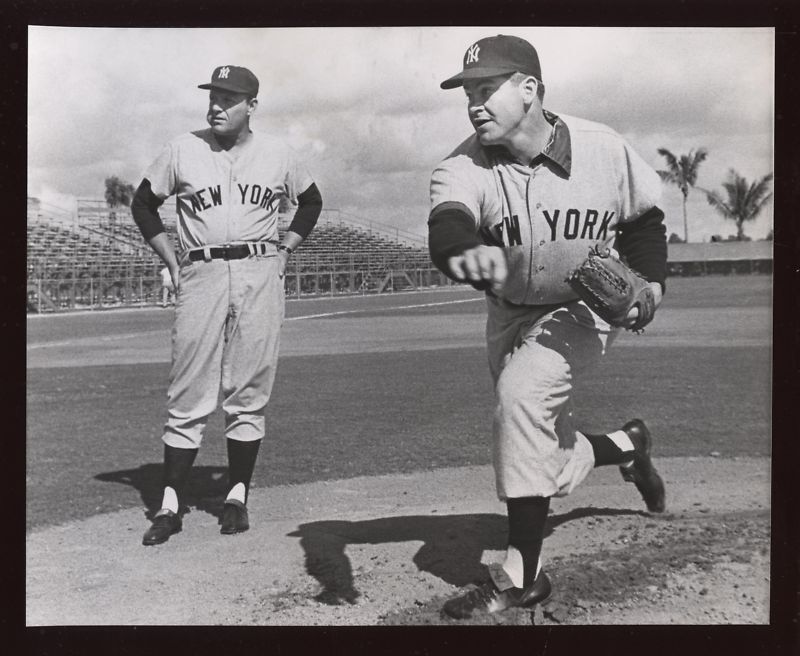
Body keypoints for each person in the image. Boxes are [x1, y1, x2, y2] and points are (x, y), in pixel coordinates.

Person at [427, 35, 667, 619]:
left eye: (487, 89)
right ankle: (626, 446)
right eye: (468, 93)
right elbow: (448, 229)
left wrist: (654, 282)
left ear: (529, 90)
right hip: (510, 310)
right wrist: (474, 257)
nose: (474, 104)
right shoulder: (463, 165)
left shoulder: (602, 147)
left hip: (583, 307)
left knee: (520, 397)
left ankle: (521, 574)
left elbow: (643, 220)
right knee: (538, 445)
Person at [131, 65, 322, 546]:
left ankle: (236, 495)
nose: (216, 105)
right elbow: (142, 203)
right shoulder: (182, 148)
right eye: (213, 95)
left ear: (251, 105)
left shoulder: (278, 153)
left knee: (250, 385)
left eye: (229, 98)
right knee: (189, 387)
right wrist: (172, 262)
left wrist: (288, 247)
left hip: (260, 269)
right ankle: (170, 504)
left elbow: (312, 200)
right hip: (201, 270)